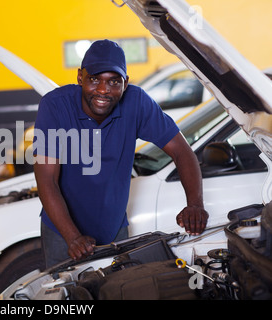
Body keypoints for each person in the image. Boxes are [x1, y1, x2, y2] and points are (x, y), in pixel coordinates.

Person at [33, 39, 208, 268]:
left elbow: (181, 151)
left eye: (114, 82)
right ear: (80, 78)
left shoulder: (136, 103)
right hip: (62, 231)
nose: (104, 90)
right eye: (95, 80)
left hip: (114, 229)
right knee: (65, 296)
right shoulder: (55, 106)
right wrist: (73, 237)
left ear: (125, 83)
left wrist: (195, 203)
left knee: (120, 289)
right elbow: (46, 179)